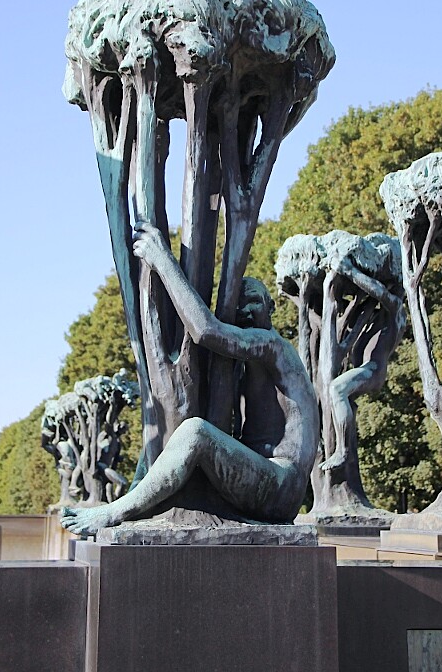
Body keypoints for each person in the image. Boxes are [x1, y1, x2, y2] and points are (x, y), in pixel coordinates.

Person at [61, 222, 319, 535]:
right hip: (259, 478)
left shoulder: (273, 346)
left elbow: (206, 331)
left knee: (195, 431)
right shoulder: (242, 368)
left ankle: (116, 511)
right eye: (239, 307)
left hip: (281, 486)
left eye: (254, 301)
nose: (246, 311)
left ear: (271, 307)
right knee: (165, 427)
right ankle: (131, 500)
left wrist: (161, 259)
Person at [319, 254, 405, 471]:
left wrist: (349, 270)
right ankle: (332, 445)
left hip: (372, 371)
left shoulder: (397, 309)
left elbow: (380, 293)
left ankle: (343, 451)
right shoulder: (375, 315)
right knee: (327, 393)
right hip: (361, 369)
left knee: (336, 389)